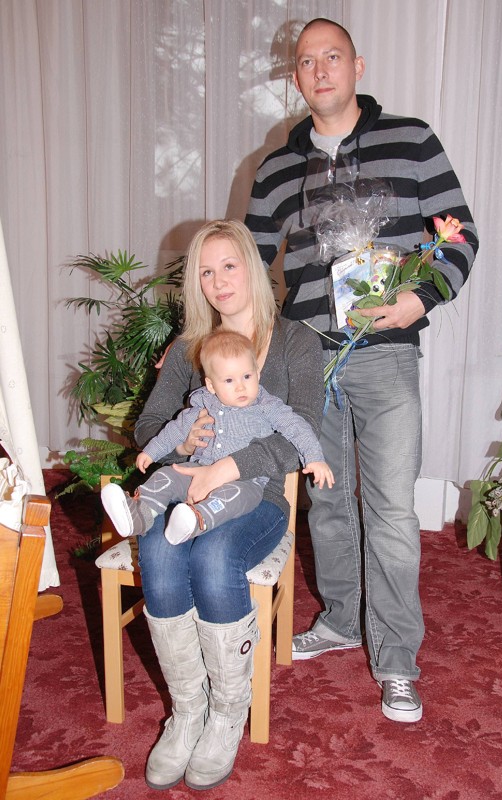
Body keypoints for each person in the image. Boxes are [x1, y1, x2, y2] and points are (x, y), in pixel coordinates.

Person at [245, 18, 479, 724]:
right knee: (328, 502)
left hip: (386, 354)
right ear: (296, 77)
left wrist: (419, 298)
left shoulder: (412, 140)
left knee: (393, 512)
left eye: (333, 57)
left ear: (358, 65)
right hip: (307, 354)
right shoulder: (276, 167)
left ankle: (398, 658)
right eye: (306, 61)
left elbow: (460, 233)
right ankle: (344, 619)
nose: (320, 70)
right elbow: (250, 264)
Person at [116, 219, 324, 791]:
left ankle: (228, 715)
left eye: (229, 266)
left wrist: (227, 467)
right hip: (189, 490)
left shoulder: (297, 342)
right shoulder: (191, 349)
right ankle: (188, 712)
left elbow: (304, 431)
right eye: (206, 272)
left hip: (257, 498)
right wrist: (183, 444)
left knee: (213, 559)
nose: (218, 281)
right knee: (159, 549)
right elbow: (150, 426)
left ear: (252, 267)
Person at [101, 329, 333, 545]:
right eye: (229, 380)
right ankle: (140, 513)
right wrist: (151, 452)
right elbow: (173, 431)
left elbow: (298, 428)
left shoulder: (267, 406)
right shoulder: (203, 407)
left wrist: (315, 458)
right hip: (198, 471)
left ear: (257, 373)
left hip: (246, 481)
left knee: (233, 496)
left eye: (247, 376)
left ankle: (196, 520)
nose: (241, 387)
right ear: (211, 386)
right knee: (166, 476)